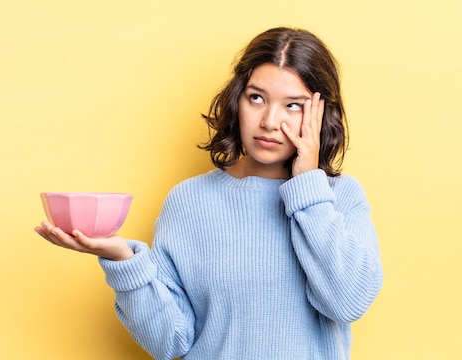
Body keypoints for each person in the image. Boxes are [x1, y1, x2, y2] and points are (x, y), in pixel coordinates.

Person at [35, 27, 383, 360]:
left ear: (322, 114)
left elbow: (348, 302)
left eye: (293, 105)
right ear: (237, 99)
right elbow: (170, 340)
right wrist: (124, 262)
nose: (269, 121)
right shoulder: (189, 201)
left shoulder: (339, 197)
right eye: (257, 98)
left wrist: (308, 187)